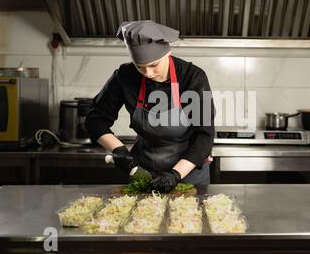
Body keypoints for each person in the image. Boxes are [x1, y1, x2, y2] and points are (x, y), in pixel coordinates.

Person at [85, 20, 215, 192]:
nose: (148, 73)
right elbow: (95, 119)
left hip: (188, 173)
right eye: (140, 67)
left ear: (168, 53)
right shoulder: (125, 75)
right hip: (143, 172)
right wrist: (119, 150)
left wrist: (175, 174)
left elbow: (204, 136)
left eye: (153, 65)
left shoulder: (192, 77)